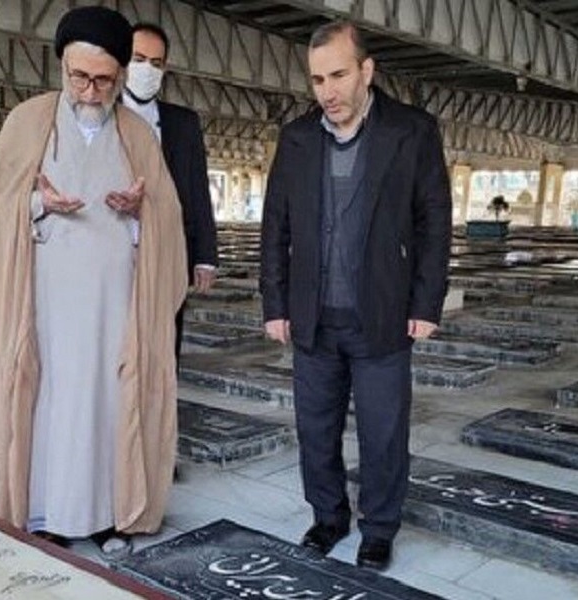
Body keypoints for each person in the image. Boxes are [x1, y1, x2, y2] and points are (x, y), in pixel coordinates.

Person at [0, 6, 187, 551]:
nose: (90, 91)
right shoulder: (27, 121)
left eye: (104, 80)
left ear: (120, 76)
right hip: (44, 303)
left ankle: (112, 514)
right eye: (79, 77)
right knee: (51, 403)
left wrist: (140, 212)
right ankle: (47, 514)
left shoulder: (137, 134)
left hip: (116, 306)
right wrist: (36, 203)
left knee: (111, 404)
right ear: (63, 66)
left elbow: (169, 219)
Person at [260, 20, 451, 571]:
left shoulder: (411, 131)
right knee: (315, 429)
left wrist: (426, 303)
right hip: (313, 317)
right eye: (318, 79)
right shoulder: (297, 138)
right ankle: (327, 518)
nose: (328, 91)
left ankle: (379, 529)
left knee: (383, 432)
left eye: (339, 75)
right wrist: (275, 303)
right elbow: (276, 226)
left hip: (383, 315)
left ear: (367, 70)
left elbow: (434, 222)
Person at [122, 22, 218, 363]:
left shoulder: (183, 122)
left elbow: (198, 188)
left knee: (164, 343)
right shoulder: (102, 114)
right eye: (138, 59)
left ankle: (163, 396)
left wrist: (205, 255)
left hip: (168, 252)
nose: (147, 69)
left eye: (156, 62)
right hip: (114, 252)